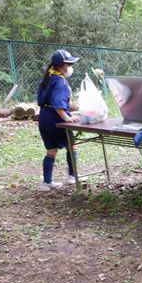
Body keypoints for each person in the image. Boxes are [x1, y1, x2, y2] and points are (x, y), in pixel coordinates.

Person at [36, 49, 81, 191]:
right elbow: (58, 104)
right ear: (62, 65)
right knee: (72, 145)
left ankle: (46, 182)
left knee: (51, 150)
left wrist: (73, 107)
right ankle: (73, 177)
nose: (70, 67)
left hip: (44, 117)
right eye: (69, 64)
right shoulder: (60, 81)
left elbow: (50, 100)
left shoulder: (48, 77)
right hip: (56, 119)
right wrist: (67, 118)